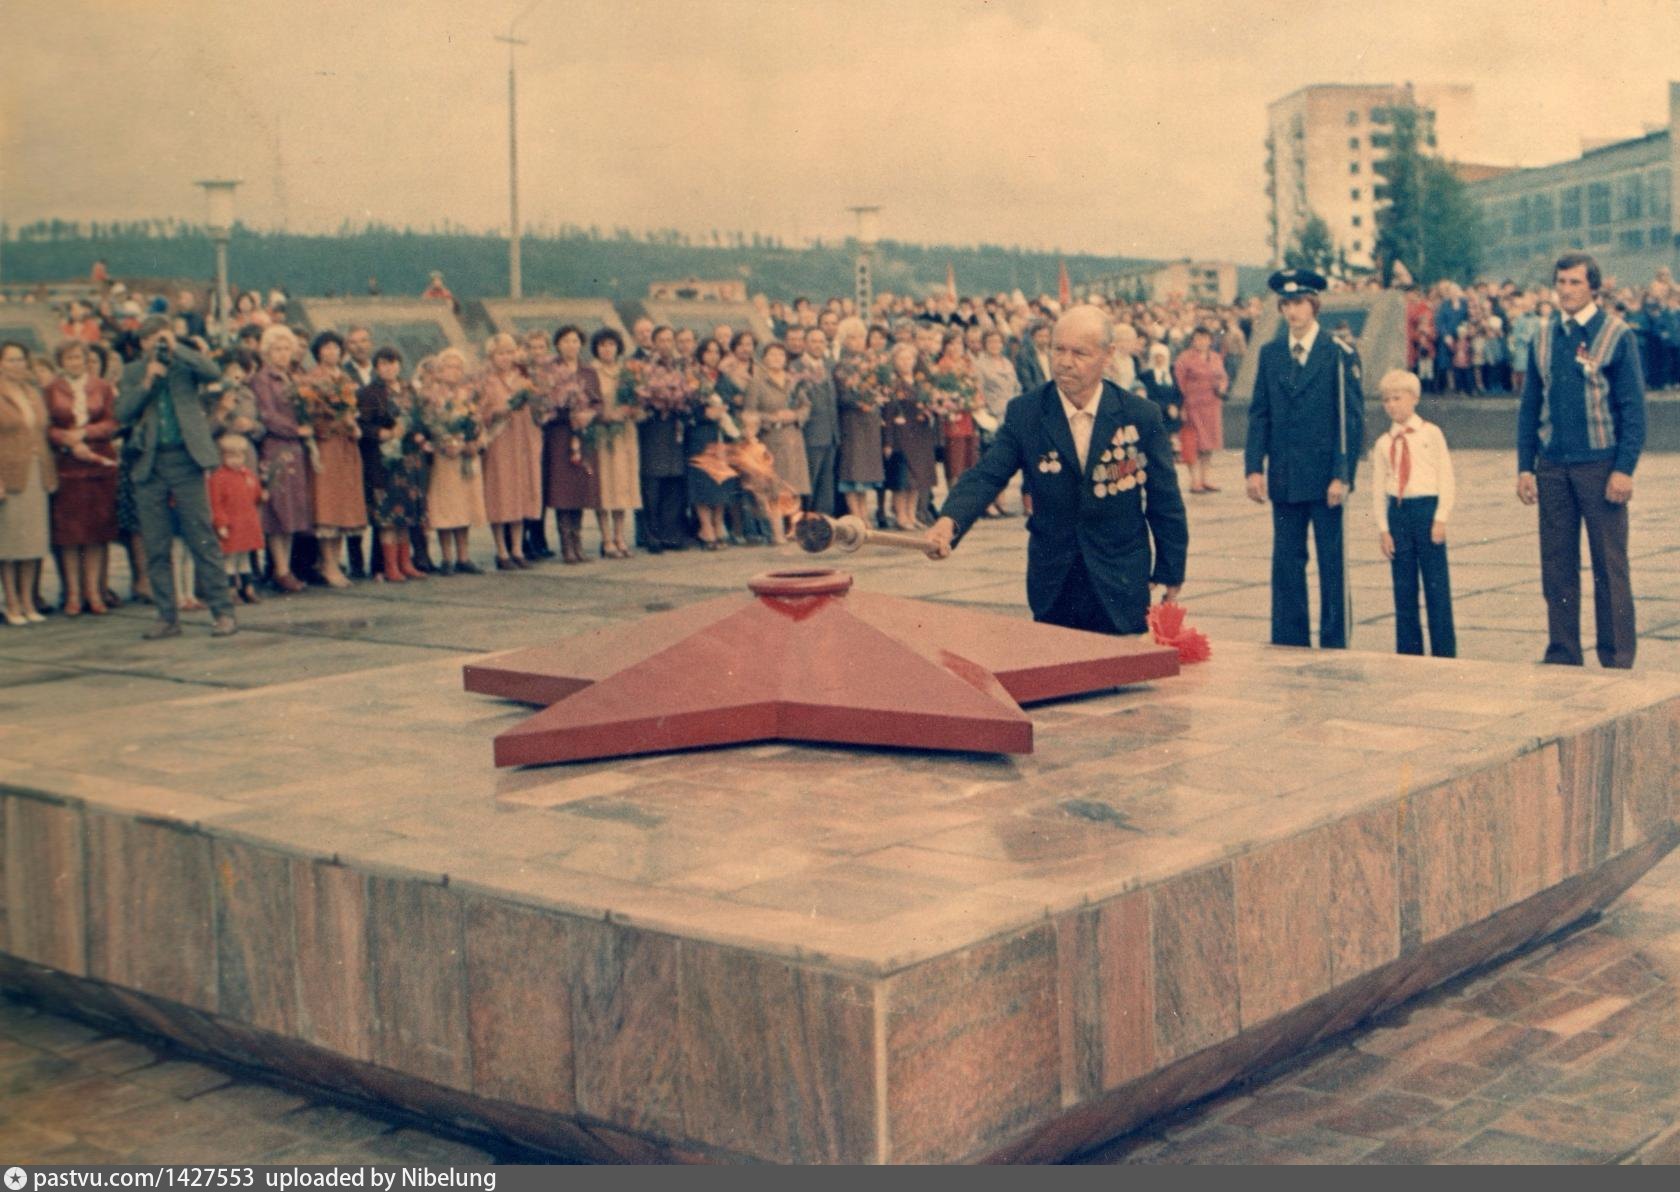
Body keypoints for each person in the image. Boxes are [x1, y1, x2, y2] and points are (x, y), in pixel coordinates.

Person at [927, 305, 1188, 636]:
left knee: (1123, 680)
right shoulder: (1027, 412)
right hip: (1055, 580)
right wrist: (950, 520)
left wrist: (1171, 568)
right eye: (1057, 349)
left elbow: (1165, 498)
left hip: (1120, 578)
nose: (1065, 362)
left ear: (1108, 355)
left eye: (1079, 353)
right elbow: (987, 474)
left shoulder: (1140, 414)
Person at [1516, 252, 1646, 669]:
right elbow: (1529, 406)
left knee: (1610, 566)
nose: (1566, 290)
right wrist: (1525, 465)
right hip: (1553, 467)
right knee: (1557, 566)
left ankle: (1617, 655)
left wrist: (1624, 468)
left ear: (1593, 286)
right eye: (1561, 282)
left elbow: (1633, 410)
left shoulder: (1616, 335)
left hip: (1601, 467)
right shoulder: (1542, 336)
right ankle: (1563, 653)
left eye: (1574, 282)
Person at [1244, 268, 1364, 650]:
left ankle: (1335, 639)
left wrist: (1342, 475)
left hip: (1325, 477)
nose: (1293, 312)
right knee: (1286, 563)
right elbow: (1260, 413)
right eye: (1286, 305)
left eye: (1299, 303)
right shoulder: (1271, 354)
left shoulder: (1338, 353)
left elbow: (1351, 420)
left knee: (1332, 562)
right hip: (1285, 475)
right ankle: (1289, 638)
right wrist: (1253, 467)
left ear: (1314, 306)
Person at [114, 317, 237, 637]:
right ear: (141, 344)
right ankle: (167, 617)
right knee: (156, 544)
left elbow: (212, 372)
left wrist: (177, 346)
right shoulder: (133, 370)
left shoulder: (185, 363)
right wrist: (146, 382)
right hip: (150, 462)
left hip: (186, 459)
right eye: (151, 340)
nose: (158, 344)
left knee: (202, 537)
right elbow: (122, 412)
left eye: (161, 338)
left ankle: (223, 612)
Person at [1370, 370, 1455, 658]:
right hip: (1399, 513)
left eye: (1397, 398)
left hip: (1427, 511)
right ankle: (1408, 653)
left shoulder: (1431, 434)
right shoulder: (1384, 443)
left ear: (1414, 399)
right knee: (1403, 589)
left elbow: (1446, 478)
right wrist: (1383, 528)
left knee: (1436, 588)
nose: (1392, 405)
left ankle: (1444, 652)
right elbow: (1379, 487)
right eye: (1386, 401)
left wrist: (1441, 517)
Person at [44, 340, 120, 616]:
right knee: (71, 534)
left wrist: (86, 433)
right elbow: (47, 426)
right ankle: (73, 595)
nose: (74, 362)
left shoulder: (101, 386)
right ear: (60, 361)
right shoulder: (51, 389)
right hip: (68, 466)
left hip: (98, 464)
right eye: (68, 358)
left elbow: (113, 422)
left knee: (97, 533)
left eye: (78, 357)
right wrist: (67, 440)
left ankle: (94, 593)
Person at [251, 326, 313, 592]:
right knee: (278, 510)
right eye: (277, 348)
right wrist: (295, 429)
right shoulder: (263, 379)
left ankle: (285, 567)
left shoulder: (292, 378)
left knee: (292, 509)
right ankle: (280, 568)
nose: (283, 354)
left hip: (295, 449)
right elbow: (266, 414)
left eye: (287, 348)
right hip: (277, 446)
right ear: (266, 352)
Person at [0, 342, 56, 626]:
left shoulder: (32, 393)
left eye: (21, 359)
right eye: (11, 360)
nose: (17, 365)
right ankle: (11, 603)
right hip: (9, 475)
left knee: (33, 541)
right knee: (10, 544)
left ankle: (27, 599)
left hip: (36, 471)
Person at [536, 326, 603, 564]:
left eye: (575, 341)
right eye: (566, 341)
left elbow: (598, 402)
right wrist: (567, 415)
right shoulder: (550, 372)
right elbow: (544, 405)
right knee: (562, 489)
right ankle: (566, 544)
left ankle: (578, 542)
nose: (571, 345)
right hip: (560, 435)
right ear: (558, 345)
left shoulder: (589, 372)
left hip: (583, 436)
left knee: (580, 489)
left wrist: (589, 414)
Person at [417, 348, 487, 574]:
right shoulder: (431, 396)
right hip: (443, 457)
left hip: (465, 456)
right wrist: (445, 441)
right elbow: (428, 424)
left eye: (458, 367)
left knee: (464, 505)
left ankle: (463, 556)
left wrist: (475, 441)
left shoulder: (468, 394)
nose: (454, 372)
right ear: (439, 370)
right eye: (449, 366)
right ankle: (447, 558)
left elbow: (478, 422)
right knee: (446, 508)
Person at [478, 332, 542, 569]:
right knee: (500, 494)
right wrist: (495, 412)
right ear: (492, 356)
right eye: (500, 353)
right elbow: (477, 413)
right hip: (499, 442)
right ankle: (501, 550)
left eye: (509, 352)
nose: (506, 358)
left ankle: (517, 548)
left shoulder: (524, 379)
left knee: (521, 492)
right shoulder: (486, 381)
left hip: (523, 440)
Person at [586, 328, 639, 559]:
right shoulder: (590, 372)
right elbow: (585, 403)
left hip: (623, 435)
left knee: (622, 486)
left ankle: (620, 535)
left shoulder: (627, 373)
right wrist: (603, 416)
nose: (607, 349)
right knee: (603, 486)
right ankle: (606, 538)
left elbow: (639, 403)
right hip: (601, 435)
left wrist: (630, 409)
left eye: (611, 345)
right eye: (602, 345)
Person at [208, 433, 265, 604]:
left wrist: (262, 494)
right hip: (232, 524)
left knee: (245, 558)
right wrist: (221, 524)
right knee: (230, 559)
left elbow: (255, 496)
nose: (236, 460)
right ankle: (231, 590)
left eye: (239, 456)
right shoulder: (218, 478)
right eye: (230, 456)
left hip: (247, 523)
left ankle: (247, 588)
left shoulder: (247, 474)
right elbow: (215, 503)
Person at [1173, 326, 1228, 493]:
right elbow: (1178, 383)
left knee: (1209, 444)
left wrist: (1222, 387)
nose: (1202, 342)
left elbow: (1223, 377)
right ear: (1192, 340)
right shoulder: (1184, 358)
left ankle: (1205, 479)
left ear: (1210, 340)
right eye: (1198, 338)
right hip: (1192, 406)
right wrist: (1181, 406)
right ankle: (1194, 481)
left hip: (1212, 406)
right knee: (1193, 443)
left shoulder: (1216, 357)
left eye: (1205, 338)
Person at [795, 329, 838, 518]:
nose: (818, 345)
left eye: (821, 341)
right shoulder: (796, 367)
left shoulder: (830, 365)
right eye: (813, 341)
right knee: (809, 478)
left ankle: (823, 518)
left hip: (831, 432)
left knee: (826, 480)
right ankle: (805, 518)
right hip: (811, 433)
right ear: (805, 343)